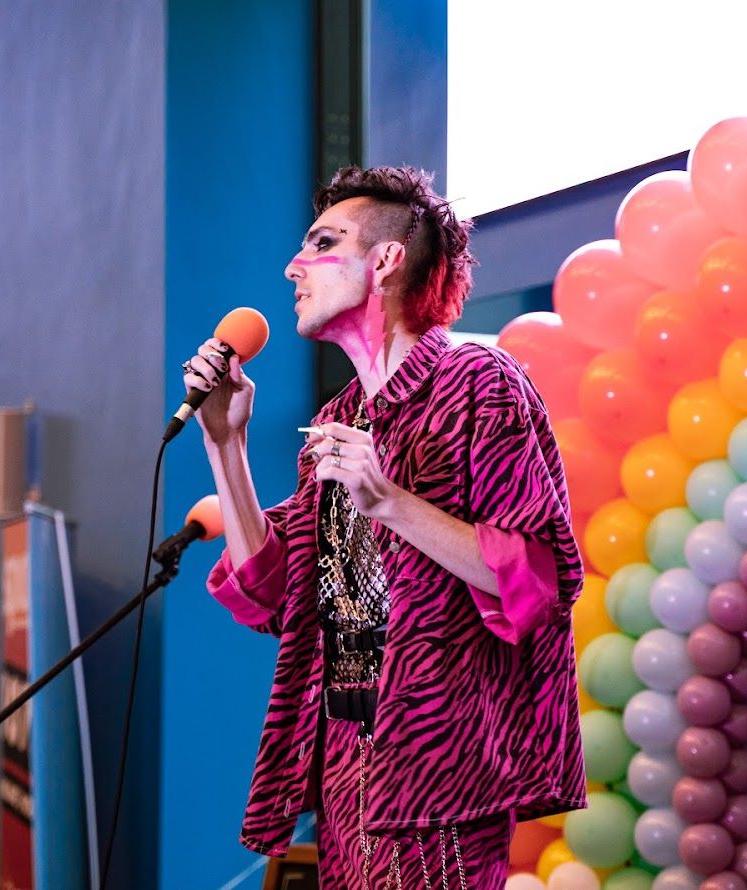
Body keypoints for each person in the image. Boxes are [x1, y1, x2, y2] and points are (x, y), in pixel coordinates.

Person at [183, 166, 585, 889]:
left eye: (322, 242)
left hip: (438, 778)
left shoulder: (478, 382)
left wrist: (389, 500)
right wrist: (225, 444)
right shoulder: (341, 420)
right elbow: (275, 595)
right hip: (345, 769)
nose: (292, 266)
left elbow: (537, 582)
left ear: (385, 260)